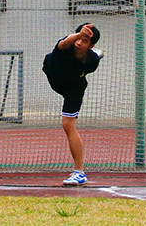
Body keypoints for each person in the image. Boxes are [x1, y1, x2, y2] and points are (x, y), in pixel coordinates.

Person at [42, 22, 101, 186]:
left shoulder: (92, 62)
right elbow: (64, 43)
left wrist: (90, 53)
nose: (79, 43)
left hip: (73, 87)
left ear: (91, 46)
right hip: (53, 72)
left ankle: (79, 173)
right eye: (78, 38)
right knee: (59, 51)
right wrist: (79, 35)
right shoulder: (67, 45)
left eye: (84, 41)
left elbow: (86, 65)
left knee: (68, 124)